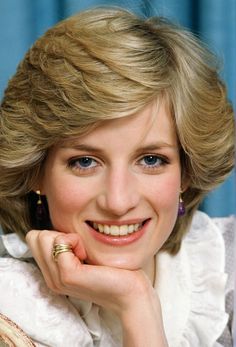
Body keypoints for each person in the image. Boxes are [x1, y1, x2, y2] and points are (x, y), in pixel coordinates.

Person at [0, 6, 234, 347]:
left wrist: (136, 303)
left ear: (186, 171)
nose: (118, 201)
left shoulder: (224, 268)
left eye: (151, 159)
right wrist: (135, 302)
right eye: (84, 162)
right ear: (36, 172)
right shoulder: (13, 312)